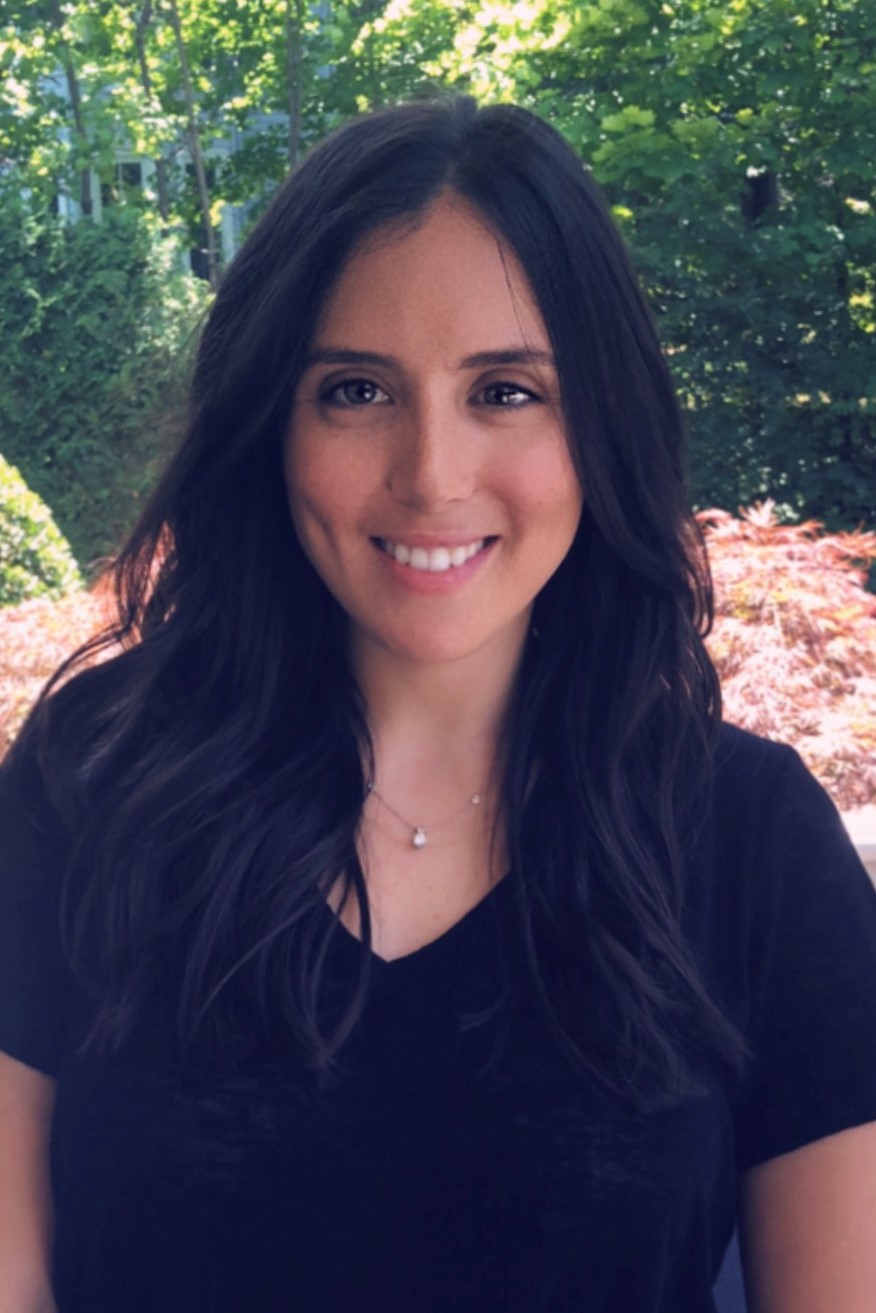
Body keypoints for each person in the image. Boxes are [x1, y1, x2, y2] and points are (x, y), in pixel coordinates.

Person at [1, 95, 875, 1313]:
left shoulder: (756, 844)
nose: (431, 474)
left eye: (506, 391)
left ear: (601, 422)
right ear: (275, 423)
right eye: (358, 390)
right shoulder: (91, 782)